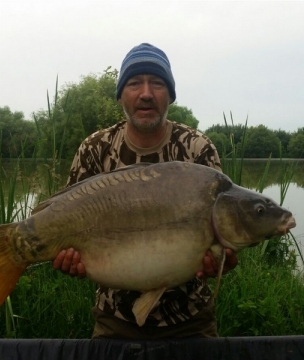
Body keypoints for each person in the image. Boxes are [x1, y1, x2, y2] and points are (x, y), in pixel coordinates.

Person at [52, 43, 238, 339]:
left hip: (190, 319)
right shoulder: (95, 148)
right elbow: (64, 220)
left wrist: (222, 260)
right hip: (115, 316)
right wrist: (68, 257)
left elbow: (222, 244)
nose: (146, 93)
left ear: (171, 95)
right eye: (135, 83)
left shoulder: (197, 148)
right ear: (121, 95)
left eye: (158, 83)